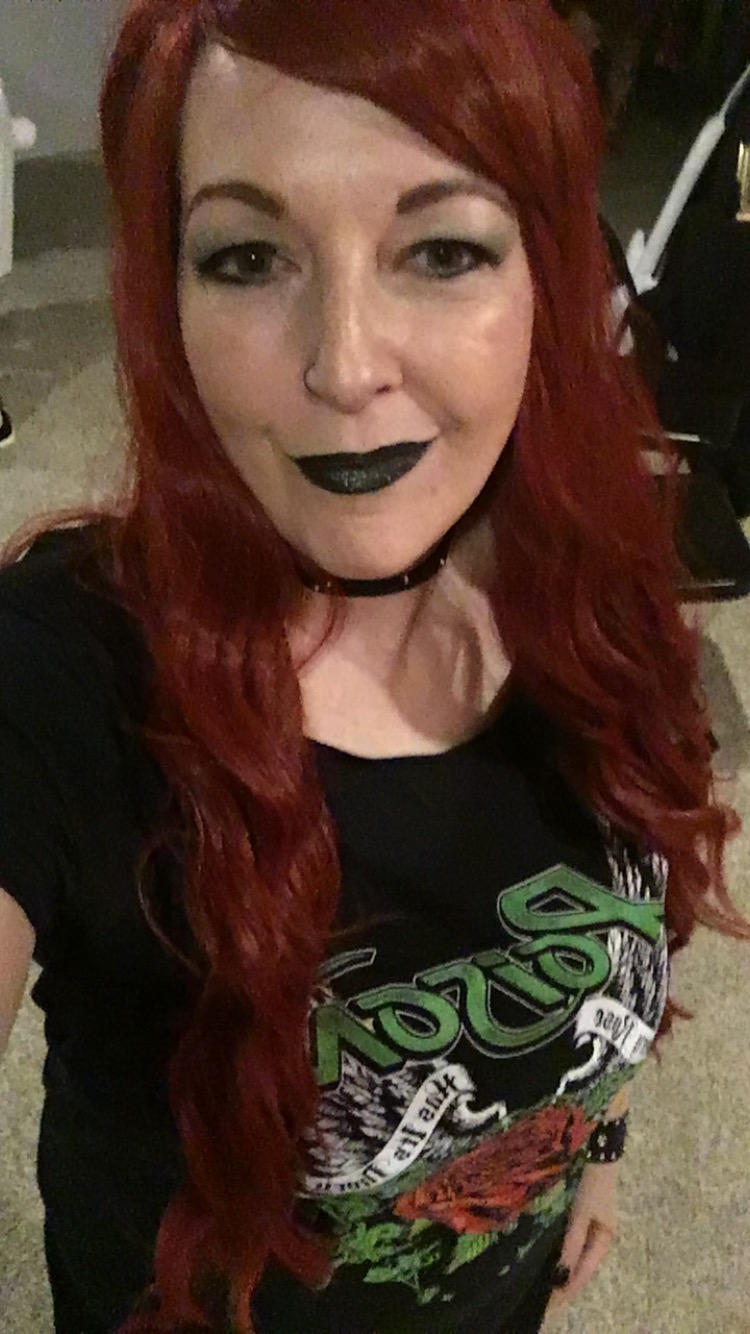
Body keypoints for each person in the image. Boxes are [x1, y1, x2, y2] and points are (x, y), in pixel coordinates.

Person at [0, 2, 746, 1332]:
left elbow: (625, 919)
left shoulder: (593, 578)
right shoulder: (58, 674)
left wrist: (591, 1148)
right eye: (246, 258)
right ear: (166, 297)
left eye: (442, 250)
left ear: (549, 284)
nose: (343, 367)